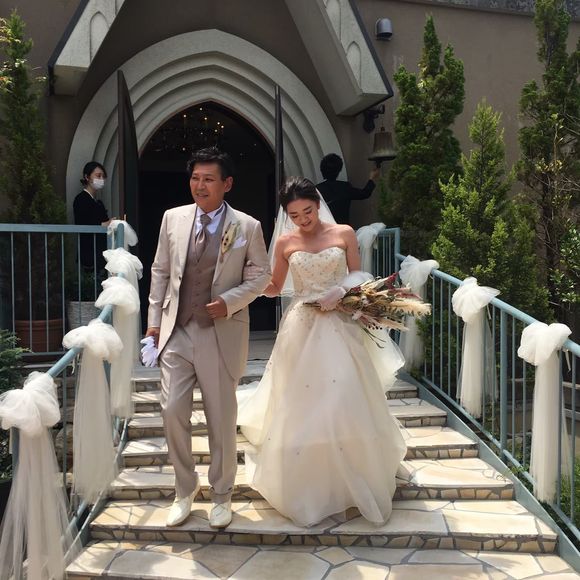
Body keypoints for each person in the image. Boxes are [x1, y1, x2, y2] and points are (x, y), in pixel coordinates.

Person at [237, 177, 407, 527]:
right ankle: (309, 475)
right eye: (295, 215)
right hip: (302, 322)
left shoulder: (343, 233)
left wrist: (342, 291)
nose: (303, 220)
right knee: (303, 399)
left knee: (344, 391)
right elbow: (274, 285)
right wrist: (246, 284)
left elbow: (359, 275)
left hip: (340, 320)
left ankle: (354, 470)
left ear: (318, 204)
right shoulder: (285, 242)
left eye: (308, 212)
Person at [146, 147, 271, 529]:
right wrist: (154, 323)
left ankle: (222, 493)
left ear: (226, 184)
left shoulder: (247, 226)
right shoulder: (173, 218)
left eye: (208, 179)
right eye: (195, 178)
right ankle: (185, 489)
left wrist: (229, 302)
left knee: (220, 418)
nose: (200, 186)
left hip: (219, 334)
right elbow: (160, 271)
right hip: (177, 331)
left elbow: (261, 276)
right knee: (171, 411)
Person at [316, 153, 380, 225]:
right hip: (343, 228)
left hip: (324, 229)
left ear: (322, 170)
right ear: (338, 170)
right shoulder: (344, 187)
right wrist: (372, 178)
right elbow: (365, 193)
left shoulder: (316, 190)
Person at [73, 161, 114, 271]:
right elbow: (82, 223)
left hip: (100, 254)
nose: (101, 179)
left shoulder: (98, 202)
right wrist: (103, 224)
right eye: (98, 176)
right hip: (89, 255)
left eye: (103, 176)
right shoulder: (81, 199)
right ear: (87, 177)